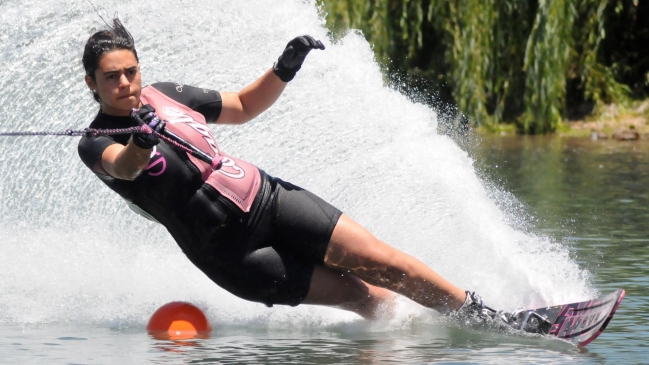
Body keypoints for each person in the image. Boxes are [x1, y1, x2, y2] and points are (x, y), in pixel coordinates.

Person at [78, 19, 501, 321]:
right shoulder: (95, 140)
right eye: (111, 77)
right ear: (91, 83)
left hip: (268, 199)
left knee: (387, 263)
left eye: (131, 71)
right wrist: (142, 141)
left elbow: (244, 106)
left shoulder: (167, 94)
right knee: (364, 297)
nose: (125, 84)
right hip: (233, 254)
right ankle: (403, 346)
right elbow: (127, 167)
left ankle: (484, 316)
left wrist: (283, 68)